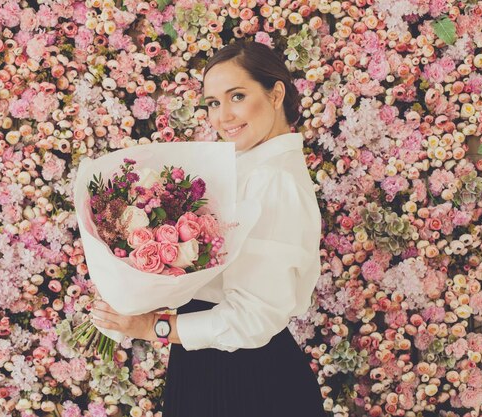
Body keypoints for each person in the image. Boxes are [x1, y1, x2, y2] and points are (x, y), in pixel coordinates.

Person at [91, 40, 325, 417]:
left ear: (276, 92)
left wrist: (154, 327)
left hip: (246, 383)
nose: (223, 116)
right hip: (211, 368)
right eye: (213, 103)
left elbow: (252, 319)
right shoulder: (245, 169)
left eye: (236, 96)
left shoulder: (272, 181)